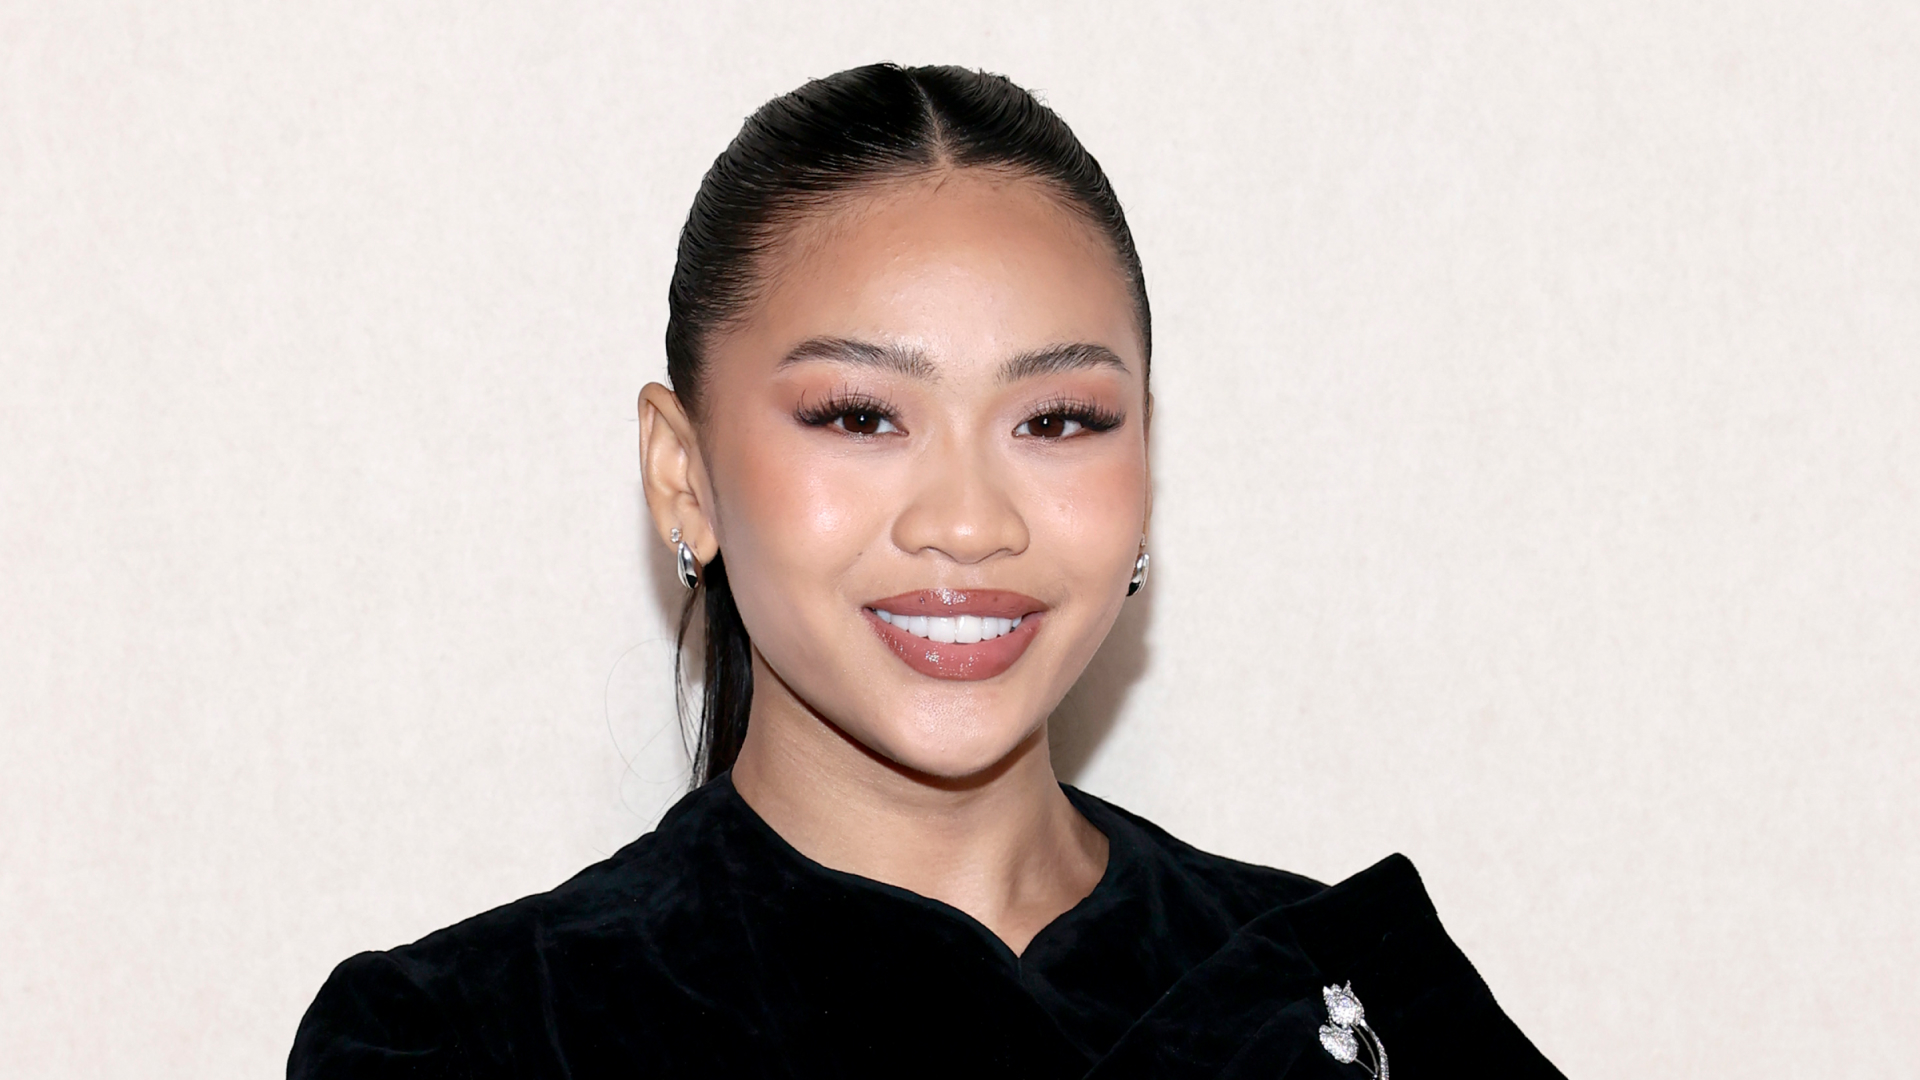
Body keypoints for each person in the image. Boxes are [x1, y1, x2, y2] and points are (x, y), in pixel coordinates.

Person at [289, 63, 1563, 1079]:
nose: (968, 521)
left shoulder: (1340, 1000)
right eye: (859, 416)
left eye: (1059, 421)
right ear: (685, 473)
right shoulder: (476, 1039)